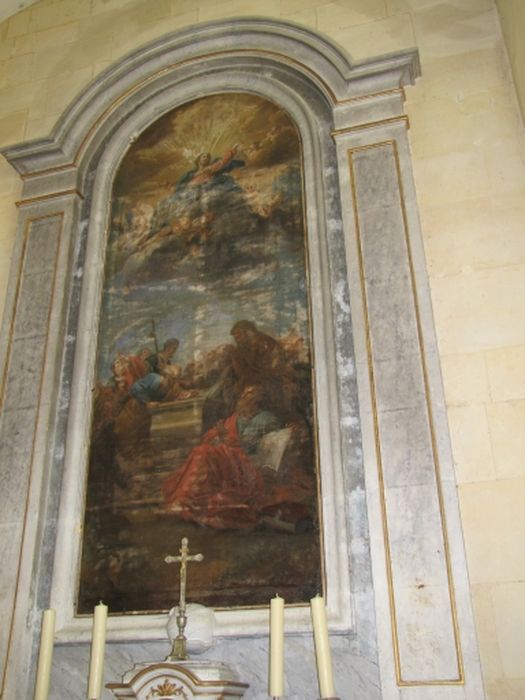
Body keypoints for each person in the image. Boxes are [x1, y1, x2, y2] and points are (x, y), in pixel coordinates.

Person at [163, 385, 280, 529]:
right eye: (243, 394)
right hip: (227, 456)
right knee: (202, 451)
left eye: (250, 393)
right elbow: (213, 436)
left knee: (204, 452)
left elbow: (256, 444)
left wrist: (226, 437)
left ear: (259, 399)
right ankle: (186, 500)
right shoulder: (233, 419)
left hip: (244, 463)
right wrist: (217, 436)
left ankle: (187, 501)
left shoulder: (266, 419)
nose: (243, 397)